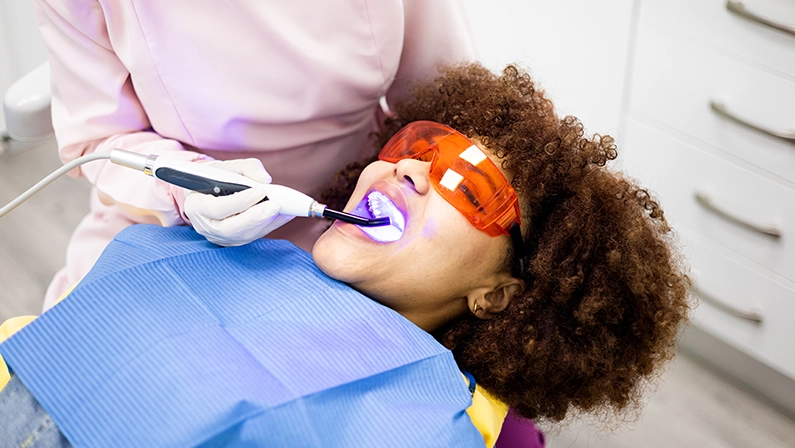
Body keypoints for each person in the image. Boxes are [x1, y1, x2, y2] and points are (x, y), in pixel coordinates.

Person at [0, 63, 691, 447]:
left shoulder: (476, 428)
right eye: (414, 148)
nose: (410, 172)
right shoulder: (218, 251)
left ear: (500, 292)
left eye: (468, 183)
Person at [32, 0, 477, 310]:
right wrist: (186, 189)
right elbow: (98, 139)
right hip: (168, 224)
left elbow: (453, 110)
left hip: (355, 205)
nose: (413, 174)